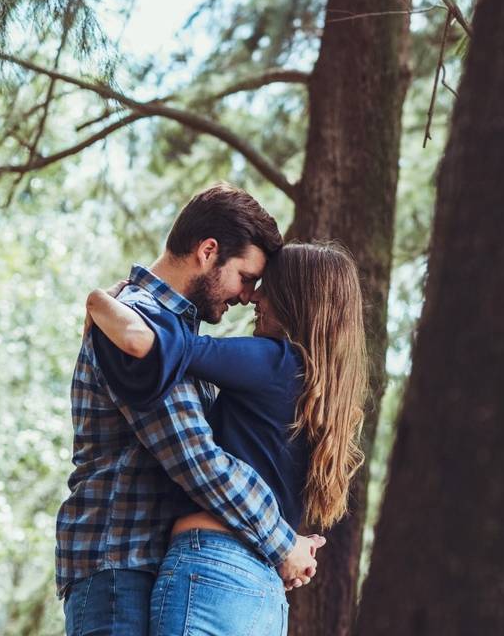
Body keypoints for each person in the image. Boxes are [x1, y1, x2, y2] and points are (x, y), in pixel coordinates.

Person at [55, 183, 323, 636]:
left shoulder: (168, 334)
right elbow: (196, 458)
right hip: (120, 569)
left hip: (140, 568)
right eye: (245, 276)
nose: (246, 296)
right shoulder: (137, 323)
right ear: (208, 251)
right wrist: (283, 541)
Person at [85, 241, 368, 636]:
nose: (253, 297)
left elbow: (161, 346)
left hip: (212, 569)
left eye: (265, 286)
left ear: (293, 299)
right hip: (266, 594)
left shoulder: (273, 360)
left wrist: (99, 302)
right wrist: (288, 543)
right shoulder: (322, 393)